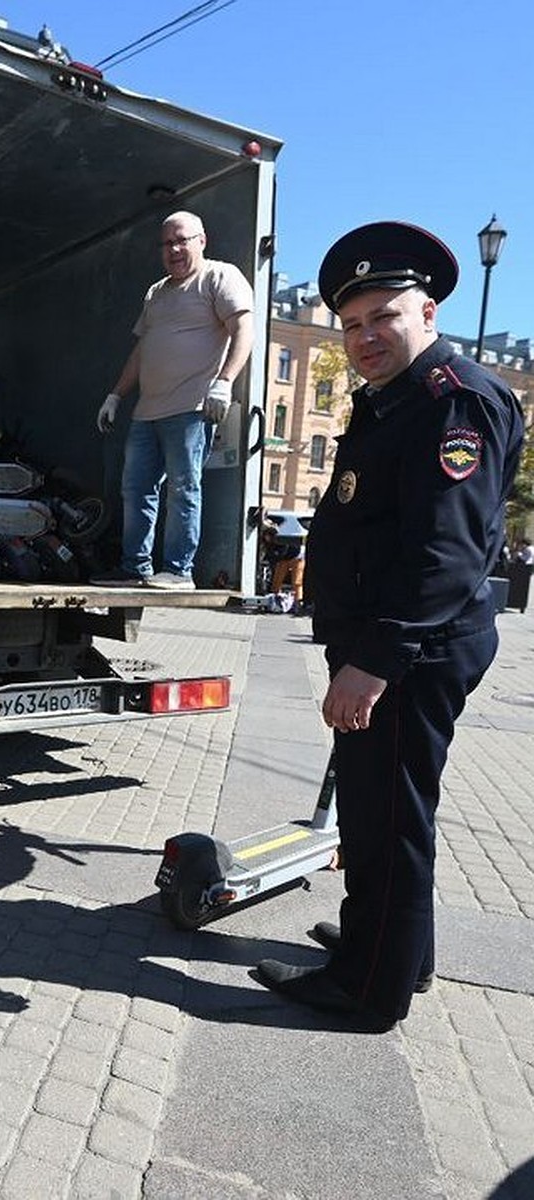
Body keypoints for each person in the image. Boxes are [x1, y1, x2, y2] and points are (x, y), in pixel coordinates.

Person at [254, 222, 525, 1030]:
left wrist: (372, 662)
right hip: (398, 642)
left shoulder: (453, 403)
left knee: (383, 819)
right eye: (351, 323)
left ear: (429, 313)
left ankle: (367, 988)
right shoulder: (402, 400)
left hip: (408, 651)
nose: (366, 336)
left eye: (385, 316)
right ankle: (401, 951)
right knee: (395, 810)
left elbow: (444, 552)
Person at [93, 211, 254, 590]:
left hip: (192, 409)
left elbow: (243, 329)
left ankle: (179, 571)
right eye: (167, 243)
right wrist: (116, 394)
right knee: (135, 490)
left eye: (182, 240)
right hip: (147, 411)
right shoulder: (156, 292)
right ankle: (135, 568)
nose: (174, 249)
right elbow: (142, 350)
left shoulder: (220, 276)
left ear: (202, 240)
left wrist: (224, 382)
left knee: (183, 487)